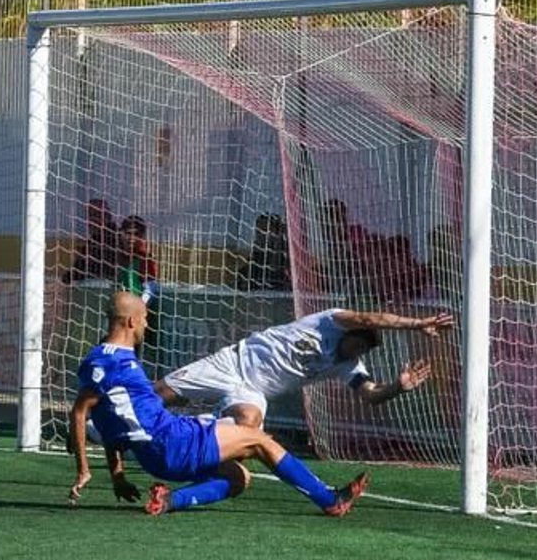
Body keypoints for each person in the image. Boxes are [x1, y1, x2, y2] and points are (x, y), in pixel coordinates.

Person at [67, 291, 368, 517]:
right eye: (145, 318)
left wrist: (118, 476)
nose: (147, 324)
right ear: (132, 321)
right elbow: (81, 411)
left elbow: (109, 420)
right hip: (171, 442)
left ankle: (169, 500)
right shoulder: (118, 364)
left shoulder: (99, 359)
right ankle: (332, 501)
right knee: (259, 440)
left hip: (155, 456)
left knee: (238, 478)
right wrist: (84, 469)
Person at [156, 307, 455, 430]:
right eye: (359, 345)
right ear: (350, 333)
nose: (358, 352)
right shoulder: (330, 320)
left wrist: (397, 387)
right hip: (232, 364)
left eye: (364, 351)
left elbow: (370, 394)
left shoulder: (347, 364)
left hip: (253, 392)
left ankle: (190, 427)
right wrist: (417, 324)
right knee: (158, 394)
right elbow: (366, 319)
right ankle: (114, 419)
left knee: (247, 427)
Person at [237, 213, 291, 291]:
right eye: (258, 231)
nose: (260, 235)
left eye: (265, 231)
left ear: (277, 233)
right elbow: (243, 279)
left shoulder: (285, 255)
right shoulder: (257, 255)